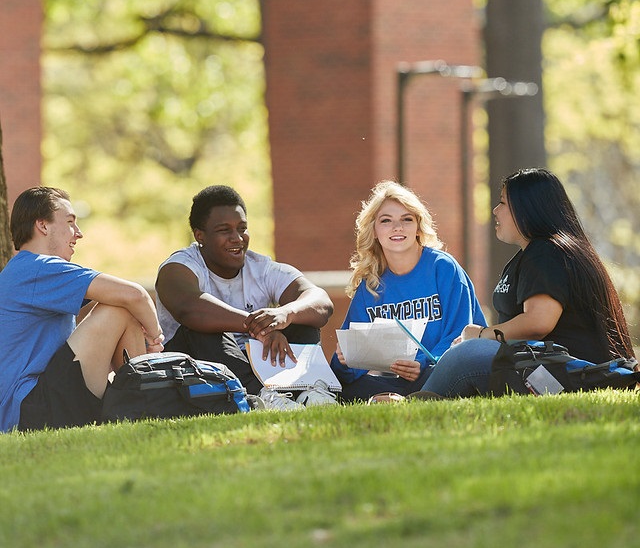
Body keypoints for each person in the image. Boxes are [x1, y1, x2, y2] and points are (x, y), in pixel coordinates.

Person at [423, 168, 636, 398]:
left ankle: (412, 406)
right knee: (463, 354)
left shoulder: (546, 252)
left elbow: (538, 322)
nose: (495, 211)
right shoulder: (536, 253)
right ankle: (415, 399)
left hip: (565, 376)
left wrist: (482, 334)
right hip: (544, 368)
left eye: (502, 203)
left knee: (467, 354)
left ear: (526, 208)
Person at [0, 187, 164, 433]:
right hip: (30, 410)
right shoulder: (37, 267)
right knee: (119, 308)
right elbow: (135, 295)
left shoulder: (24, 270)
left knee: (116, 306)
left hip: (36, 403)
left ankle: (140, 404)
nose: (79, 233)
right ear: (43, 226)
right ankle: (145, 406)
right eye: (70, 222)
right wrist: (155, 339)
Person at [155, 185, 334, 396]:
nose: (237, 238)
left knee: (302, 320)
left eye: (242, 228)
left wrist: (285, 314)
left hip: (252, 362)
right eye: (224, 230)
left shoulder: (260, 267)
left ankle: (308, 391)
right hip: (190, 370)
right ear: (200, 236)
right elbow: (189, 308)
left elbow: (321, 302)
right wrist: (260, 327)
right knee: (200, 329)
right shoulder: (178, 267)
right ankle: (259, 396)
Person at [330, 180, 486, 402]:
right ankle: (401, 399)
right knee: (342, 390)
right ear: (374, 231)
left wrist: (422, 363)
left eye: (407, 219)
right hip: (398, 381)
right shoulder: (371, 285)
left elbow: (460, 335)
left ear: (418, 227)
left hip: (444, 370)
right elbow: (346, 371)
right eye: (386, 220)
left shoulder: (442, 267)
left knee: (445, 371)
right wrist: (345, 360)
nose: (397, 227)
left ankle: (404, 400)